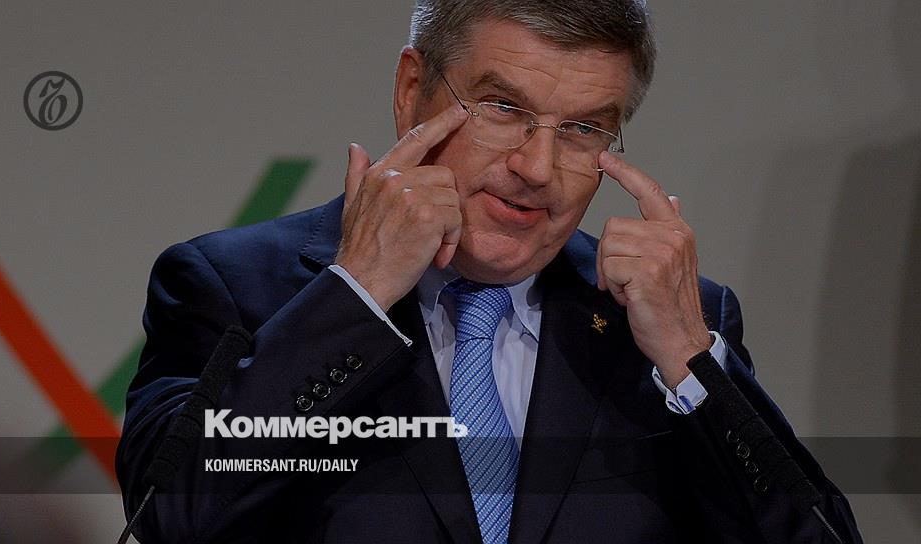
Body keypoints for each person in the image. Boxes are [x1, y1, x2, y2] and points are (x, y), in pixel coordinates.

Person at [116, 1, 863, 542]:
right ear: (411, 90)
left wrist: (690, 360)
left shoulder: (670, 326)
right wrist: (358, 293)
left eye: (583, 129)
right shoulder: (234, 286)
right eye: (503, 108)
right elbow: (168, 518)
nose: (536, 168)